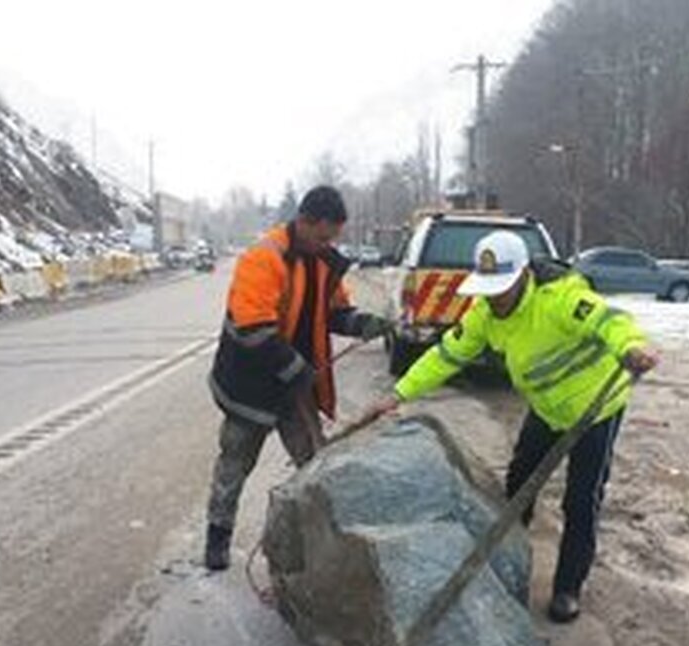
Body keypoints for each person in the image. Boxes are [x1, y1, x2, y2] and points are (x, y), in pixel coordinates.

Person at [363, 230, 658, 623]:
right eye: (488, 289)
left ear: (522, 276)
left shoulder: (560, 300)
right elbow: (446, 355)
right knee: (519, 485)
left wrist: (632, 348)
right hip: (547, 409)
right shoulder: (484, 314)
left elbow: (611, 322)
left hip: (595, 410)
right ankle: (507, 563)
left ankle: (568, 588)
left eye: (501, 288)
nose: (494, 297)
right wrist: (398, 394)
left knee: (581, 500)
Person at [204, 186, 391, 571]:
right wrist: (297, 369)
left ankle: (320, 545)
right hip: (250, 385)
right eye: (323, 236)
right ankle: (217, 539)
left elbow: (336, 311)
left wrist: (365, 324)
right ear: (304, 221)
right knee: (235, 462)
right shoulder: (264, 258)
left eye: (332, 238)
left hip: (294, 386)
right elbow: (252, 330)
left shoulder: (322, 261)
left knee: (314, 464)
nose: (328, 244)